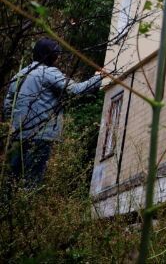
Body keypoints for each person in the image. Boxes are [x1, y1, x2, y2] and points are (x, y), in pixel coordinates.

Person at [4, 38, 103, 187]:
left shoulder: (20, 75)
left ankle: (13, 209)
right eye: (56, 54)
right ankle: (28, 208)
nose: (57, 58)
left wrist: (16, 124)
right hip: (41, 136)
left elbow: (7, 106)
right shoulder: (48, 73)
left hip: (17, 135)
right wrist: (98, 77)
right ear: (49, 56)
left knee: (12, 181)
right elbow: (75, 90)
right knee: (32, 182)